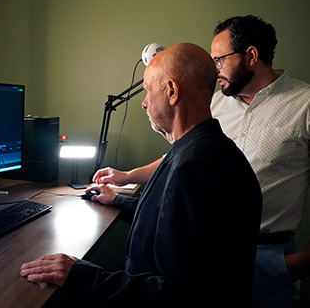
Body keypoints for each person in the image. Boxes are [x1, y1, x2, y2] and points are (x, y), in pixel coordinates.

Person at [21, 43, 263, 307]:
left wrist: (81, 276)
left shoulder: (196, 167)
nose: (143, 103)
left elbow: (179, 296)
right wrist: (116, 200)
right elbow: (172, 221)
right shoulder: (203, 149)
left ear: (171, 91)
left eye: (148, 90)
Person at [94, 15, 310, 307]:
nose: (214, 69)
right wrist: (127, 178)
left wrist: (302, 263)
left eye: (219, 60)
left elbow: (188, 167)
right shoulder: (214, 104)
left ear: (251, 55)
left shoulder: (304, 104)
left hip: (270, 254)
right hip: (204, 244)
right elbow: (178, 160)